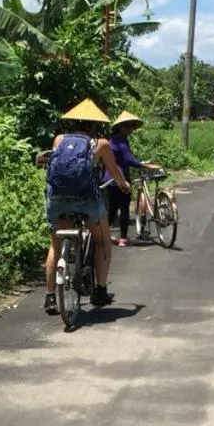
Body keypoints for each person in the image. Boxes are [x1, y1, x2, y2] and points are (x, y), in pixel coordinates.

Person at [36, 98, 129, 315]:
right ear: (95, 124)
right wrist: (124, 185)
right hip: (87, 200)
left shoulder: (59, 139)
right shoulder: (101, 144)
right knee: (102, 240)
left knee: (55, 245)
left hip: (57, 199)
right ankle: (100, 291)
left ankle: (50, 297)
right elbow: (114, 172)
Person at [107, 111, 161, 244]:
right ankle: (123, 238)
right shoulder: (121, 140)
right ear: (120, 126)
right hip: (121, 178)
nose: (130, 129)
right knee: (124, 208)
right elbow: (128, 159)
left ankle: (106, 234)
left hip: (108, 179)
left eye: (131, 126)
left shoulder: (110, 139)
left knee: (113, 208)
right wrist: (145, 166)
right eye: (127, 126)